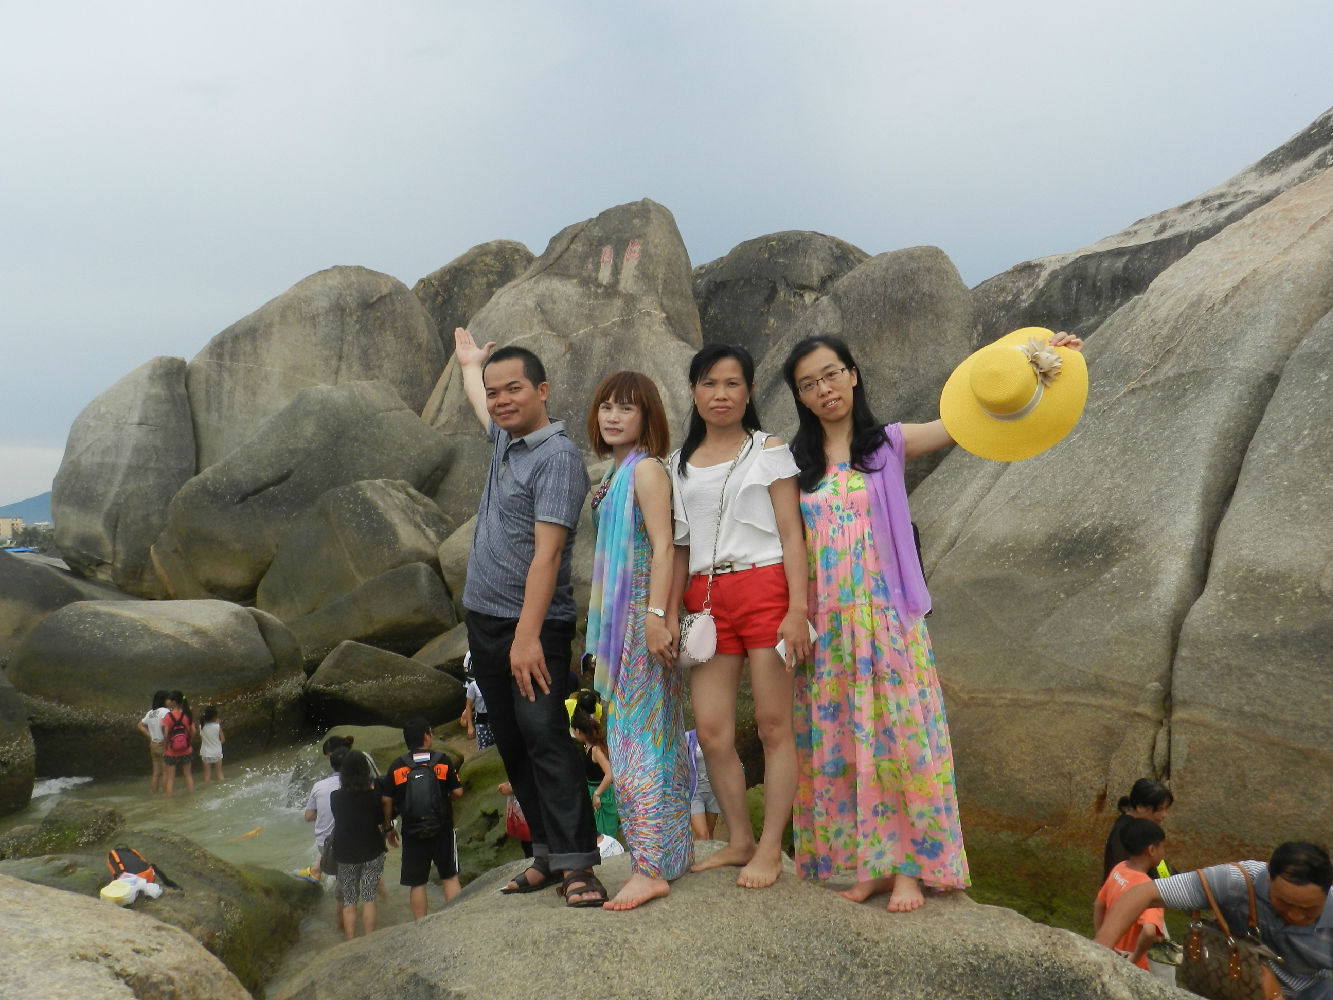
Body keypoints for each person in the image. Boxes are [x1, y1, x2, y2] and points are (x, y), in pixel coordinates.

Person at [781, 332, 1082, 912]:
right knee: (843, 740)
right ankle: (867, 865)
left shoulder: (888, 443)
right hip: (829, 624)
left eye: (831, 374)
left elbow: (970, 418)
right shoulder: (797, 464)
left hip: (887, 617)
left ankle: (910, 870)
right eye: (809, 383)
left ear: (853, 374)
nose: (824, 389)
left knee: (901, 739)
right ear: (800, 395)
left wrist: (1040, 360)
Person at [452, 326, 603, 907]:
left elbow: (548, 556)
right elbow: (480, 403)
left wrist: (527, 637)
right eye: (495, 392)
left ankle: (579, 864)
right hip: (485, 619)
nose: (500, 401)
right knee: (513, 742)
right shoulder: (507, 441)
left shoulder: (556, 459)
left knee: (544, 735)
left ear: (542, 390)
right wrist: (472, 366)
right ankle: (545, 854)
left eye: (513, 389)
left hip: (532, 626)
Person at [668, 344, 812, 890]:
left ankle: (770, 847)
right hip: (704, 597)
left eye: (732, 383)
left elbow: (792, 533)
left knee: (775, 725)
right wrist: (666, 611)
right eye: (709, 384)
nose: (720, 394)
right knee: (711, 731)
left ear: (749, 392)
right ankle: (740, 840)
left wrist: (797, 609)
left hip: (764, 585)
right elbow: (678, 545)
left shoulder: (768, 450)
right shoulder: (678, 464)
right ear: (693, 392)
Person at [583, 369, 692, 910]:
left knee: (633, 744)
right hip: (624, 625)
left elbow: (665, 547)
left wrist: (656, 617)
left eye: (626, 407)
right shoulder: (616, 471)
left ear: (647, 416)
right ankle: (669, 854)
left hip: (638, 625)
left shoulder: (646, 469)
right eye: (606, 406)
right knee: (654, 737)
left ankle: (648, 867)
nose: (613, 416)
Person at [1095, 841, 1333, 999]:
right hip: (1234, 986)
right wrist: (1096, 956)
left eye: (1309, 910)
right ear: (1268, 877)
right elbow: (1143, 893)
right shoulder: (1239, 881)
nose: (1295, 915)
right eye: (1284, 903)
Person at [380, 718, 463, 917]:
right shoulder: (442, 760)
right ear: (427, 736)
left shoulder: (397, 766)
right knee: (449, 877)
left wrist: (388, 827)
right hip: (442, 827)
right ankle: (456, 919)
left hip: (412, 831)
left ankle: (421, 925)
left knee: (417, 883)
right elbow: (458, 792)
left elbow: (386, 799)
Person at [1093, 819, 1167, 970]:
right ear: (1151, 850)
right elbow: (1149, 931)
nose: (1164, 851)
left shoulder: (1119, 868)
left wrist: (1102, 943)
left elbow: (1098, 904)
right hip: (1131, 964)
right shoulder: (1149, 889)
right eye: (1162, 846)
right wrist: (1134, 958)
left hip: (1108, 953)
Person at [332, 750, 388, 939]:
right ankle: (368, 939)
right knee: (369, 898)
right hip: (372, 850)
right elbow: (379, 819)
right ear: (365, 770)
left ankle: (350, 941)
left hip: (345, 853)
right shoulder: (374, 796)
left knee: (349, 901)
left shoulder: (335, 797)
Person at [1103, 778, 1174, 880]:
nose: (1164, 815)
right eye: (1159, 809)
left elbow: (1161, 867)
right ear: (1140, 807)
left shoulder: (1146, 828)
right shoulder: (1123, 833)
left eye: (1166, 809)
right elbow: (1121, 877)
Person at [303, 743, 351, 883]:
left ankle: (316, 871)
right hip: (346, 844)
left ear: (332, 764)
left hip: (323, 844)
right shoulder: (357, 785)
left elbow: (308, 816)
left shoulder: (318, 786)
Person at [571, 709, 618, 840]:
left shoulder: (596, 750)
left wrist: (597, 794)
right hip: (592, 792)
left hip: (602, 794)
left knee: (605, 835)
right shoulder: (587, 747)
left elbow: (609, 774)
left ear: (578, 731)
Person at [160, 691, 197, 798]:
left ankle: (169, 802)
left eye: (170, 700)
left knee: (171, 778)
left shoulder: (168, 716)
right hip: (186, 750)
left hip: (171, 752)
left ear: (174, 702)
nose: (168, 702)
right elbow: (194, 731)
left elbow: (166, 735)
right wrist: (189, 742)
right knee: (188, 775)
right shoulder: (187, 714)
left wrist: (165, 748)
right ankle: (192, 798)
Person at [685, 729, 719, 840]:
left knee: (710, 833)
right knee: (702, 835)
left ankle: (709, 852)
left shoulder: (718, 735)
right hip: (695, 793)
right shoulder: (689, 737)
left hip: (713, 792)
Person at [137, 690, 170, 793]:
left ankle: (154, 794)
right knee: (165, 773)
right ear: (163, 700)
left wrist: (150, 737)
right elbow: (165, 726)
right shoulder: (165, 711)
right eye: (168, 699)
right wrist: (166, 741)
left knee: (156, 773)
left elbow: (140, 725)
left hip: (153, 744)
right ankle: (165, 796)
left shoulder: (151, 713)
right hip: (162, 744)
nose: (170, 701)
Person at [460, 653, 494, 751]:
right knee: (483, 748)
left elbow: (465, 669)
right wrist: (470, 727)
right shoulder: (474, 686)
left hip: (494, 718)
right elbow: (469, 706)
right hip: (481, 719)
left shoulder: (469, 654)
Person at [199, 705, 225, 783]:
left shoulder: (201, 727)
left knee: (207, 776)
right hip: (217, 752)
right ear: (214, 717)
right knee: (219, 774)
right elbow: (223, 740)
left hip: (206, 753)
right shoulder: (217, 726)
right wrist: (217, 744)